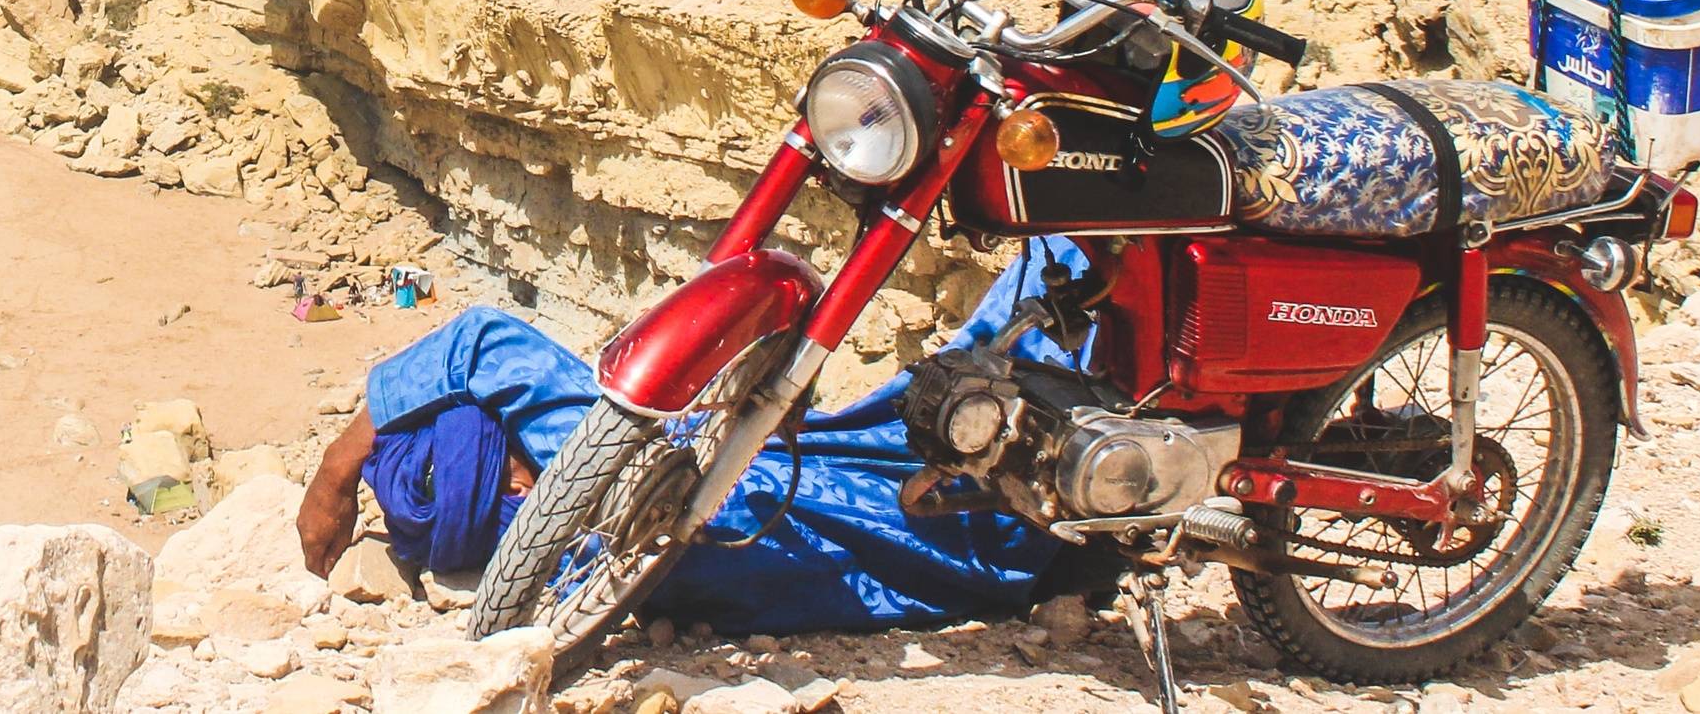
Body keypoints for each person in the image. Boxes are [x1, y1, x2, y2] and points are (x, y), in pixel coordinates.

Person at [294, 242, 1101, 636]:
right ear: (511, 476)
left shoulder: (592, 566)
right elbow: (481, 339)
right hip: (1004, 513)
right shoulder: (641, 498)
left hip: (1003, 554)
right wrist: (337, 467)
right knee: (1055, 291)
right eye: (516, 442)